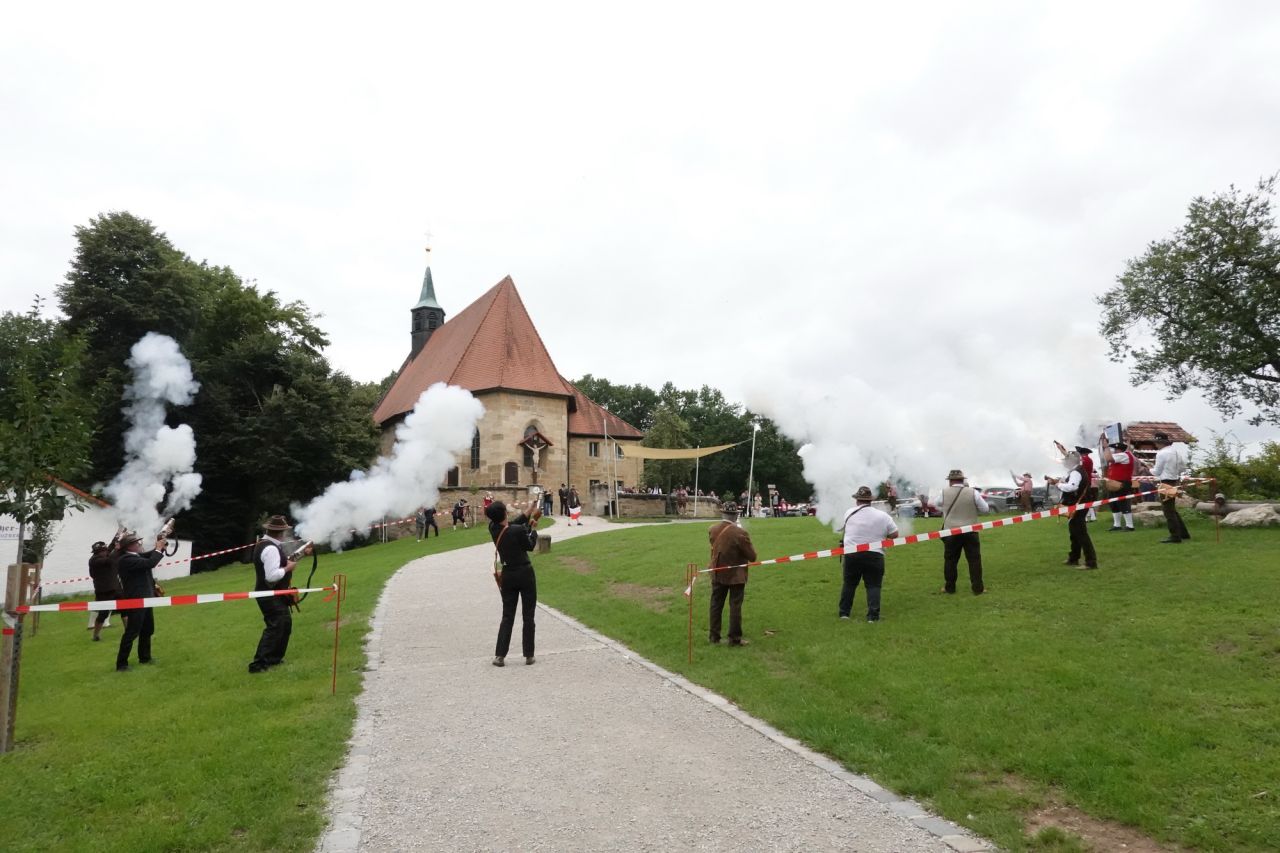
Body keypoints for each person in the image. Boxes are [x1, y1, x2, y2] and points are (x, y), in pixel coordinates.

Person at [249, 515, 312, 674]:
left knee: (284, 625)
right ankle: (259, 664)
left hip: (273, 594)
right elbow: (271, 575)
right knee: (276, 627)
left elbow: (284, 561)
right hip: (269, 594)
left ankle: (274, 659)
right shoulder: (270, 548)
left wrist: (303, 553)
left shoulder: (267, 545)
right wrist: (288, 569)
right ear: (281, 532)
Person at [488, 498, 542, 666]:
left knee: (507, 616)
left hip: (508, 574)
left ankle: (500, 656)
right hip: (525, 573)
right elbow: (530, 545)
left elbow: (513, 524)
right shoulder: (517, 530)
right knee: (528, 615)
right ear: (504, 513)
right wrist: (533, 528)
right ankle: (529, 655)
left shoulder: (493, 528)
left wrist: (529, 509)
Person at [838, 486, 899, 622]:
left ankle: (844, 613)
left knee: (849, 584)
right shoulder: (883, 516)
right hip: (875, 554)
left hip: (852, 553)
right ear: (871, 500)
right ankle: (873, 616)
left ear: (857, 501)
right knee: (873, 585)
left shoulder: (848, 512)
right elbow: (895, 534)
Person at [115, 530, 167, 671]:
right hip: (136, 600)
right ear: (129, 546)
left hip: (146, 598)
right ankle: (122, 664)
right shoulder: (126, 560)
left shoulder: (133, 556)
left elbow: (149, 555)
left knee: (147, 629)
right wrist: (158, 548)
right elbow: (150, 562)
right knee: (132, 632)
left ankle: (145, 657)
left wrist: (160, 545)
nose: (139, 544)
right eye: (136, 542)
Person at [707, 501, 757, 645]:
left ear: (723, 513)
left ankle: (714, 637)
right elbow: (752, 556)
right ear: (735, 515)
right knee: (735, 606)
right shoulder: (740, 533)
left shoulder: (712, 529)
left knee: (716, 605)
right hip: (736, 575)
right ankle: (734, 639)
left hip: (717, 572)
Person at [939, 468, 988, 595]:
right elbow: (985, 509)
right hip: (971, 531)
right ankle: (978, 589)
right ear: (962, 480)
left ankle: (950, 588)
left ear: (950, 481)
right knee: (974, 560)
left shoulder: (943, 492)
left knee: (950, 561)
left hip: (951, 532)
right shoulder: (973, 492)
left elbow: (934, 503)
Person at [1048, 452, 1097, 569]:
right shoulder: (1076, 471)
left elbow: (1072, 487)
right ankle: (1073, 558)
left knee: (1080, 533)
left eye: (1066, 460)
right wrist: (1058, 482)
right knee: (1074, 533)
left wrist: (1058, 484)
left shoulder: (1076, 472)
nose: (1064, 462)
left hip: (1078, 505)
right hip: (1077, 505)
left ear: (1071, 461)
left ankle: (1091, 562)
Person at [1151, 431, 1191, 544]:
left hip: (1165, 482)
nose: (1155, 444)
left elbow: (1156, 472)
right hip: (1175, 480)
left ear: (1160, 443)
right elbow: (1183, 467)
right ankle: (1183, 533)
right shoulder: (1176, 452)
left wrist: (1149, 469)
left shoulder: (1161, 454)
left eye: (1156, 442)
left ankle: (1175, 536)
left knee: (1168, 510)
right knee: (1172, 509)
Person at [87, 538, 122, 641]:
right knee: (103, 614)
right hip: (104, 591)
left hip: (116, 587)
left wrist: (118, 536)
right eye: (103, 551)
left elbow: (111, 549)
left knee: (126, 610)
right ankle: (95, 635)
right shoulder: (94, 560)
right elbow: (110, 559)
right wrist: (116, 549)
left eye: (106, 550)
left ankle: (129, 631)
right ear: (98, 552)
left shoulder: (104, 555)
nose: (106, 552)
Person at [1102, 440, 1136, 532]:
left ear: (1119, 450)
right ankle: (1117, 525)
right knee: (1114, 503)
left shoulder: (1123, 455)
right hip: (1115, 482)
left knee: (1123, 503)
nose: (1114, 451)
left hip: (1122, 483)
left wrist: (1106, 447)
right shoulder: (1124, 455)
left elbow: (1108, 458)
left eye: (1116, 449)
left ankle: (1130, 525)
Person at [1074, 446, 1098, 522]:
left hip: (1083, 482)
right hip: (1087, 481)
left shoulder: (1084, 459)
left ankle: (1085, 518)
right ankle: (1091, 517)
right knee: (1087, 500)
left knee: (1083, 500)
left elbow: (1077, 468)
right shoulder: (1087, 459)